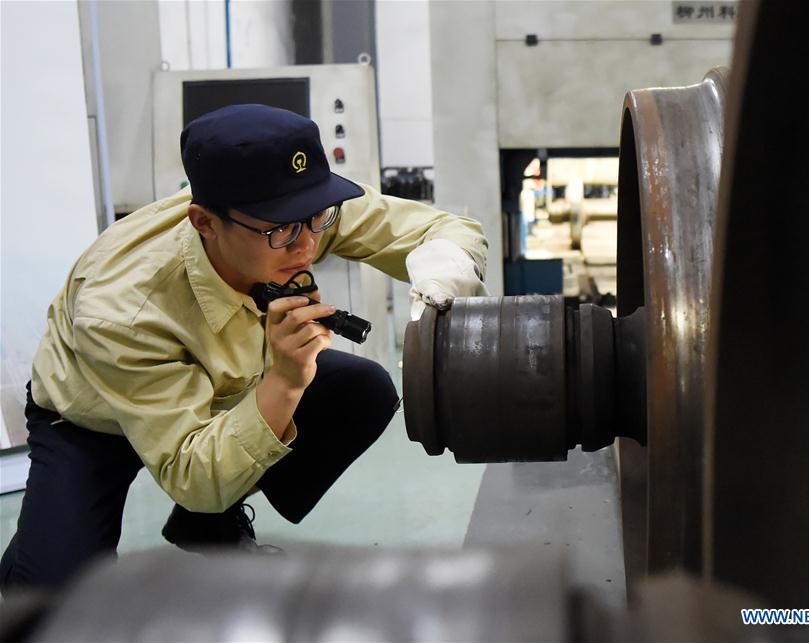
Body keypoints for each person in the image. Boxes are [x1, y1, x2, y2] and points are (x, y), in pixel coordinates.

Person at [0, 104, 488, 592]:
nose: (306, 245)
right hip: (94, 418)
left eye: (317, 218)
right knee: (51, 600)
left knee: (363, 391)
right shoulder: (120, 308)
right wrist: (285, 379)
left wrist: (441, 271)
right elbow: (191, 473)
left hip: (224, 384)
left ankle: (206, 527)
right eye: (282, 230)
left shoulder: (293, 212)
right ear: (205, 223)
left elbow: (446, 230)